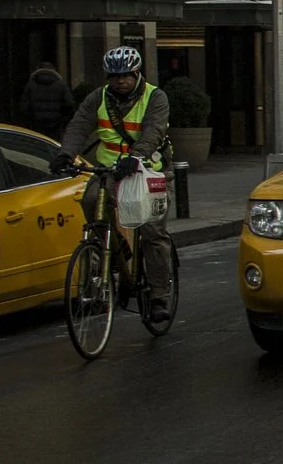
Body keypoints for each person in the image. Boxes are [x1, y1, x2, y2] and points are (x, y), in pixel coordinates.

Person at [55, 47, 176, 321]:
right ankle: (116, 255)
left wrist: (136, 157)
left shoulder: (155, 97)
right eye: (114, 76)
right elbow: (78, 126)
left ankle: (159, 296)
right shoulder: (97, 98)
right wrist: (65, 153)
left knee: (152, 233)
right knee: (89, 202)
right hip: (110, 170)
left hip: (149, 171)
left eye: (126, 76)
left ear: (137, 74)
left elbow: (154, 131)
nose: (120, 81)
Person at [16, 62, 76, 137]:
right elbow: (69, 104)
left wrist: (29, 119)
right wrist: (63, 119)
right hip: (56, 124)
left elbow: (24, 107)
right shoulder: (61, 85)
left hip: (36, 123)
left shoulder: (31, 85)